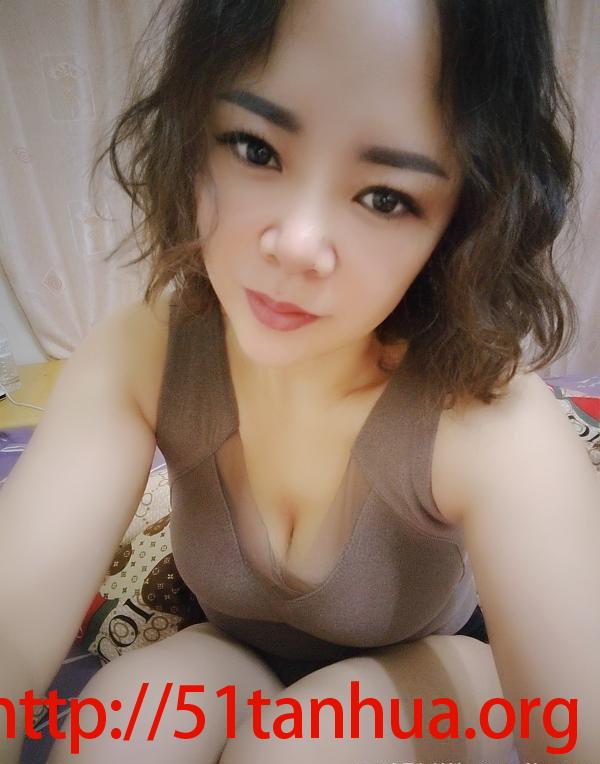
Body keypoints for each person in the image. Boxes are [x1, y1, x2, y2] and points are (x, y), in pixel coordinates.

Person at [1, 0, 598, 761]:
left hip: (437, 667)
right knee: (122, 726)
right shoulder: (146, 350)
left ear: (460, 223)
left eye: (385, 197)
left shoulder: (485, 416)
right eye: (255, 149)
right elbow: (12, 630)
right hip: (231, 651)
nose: (296, 244)